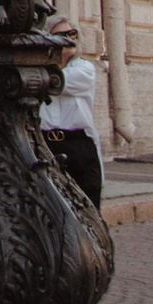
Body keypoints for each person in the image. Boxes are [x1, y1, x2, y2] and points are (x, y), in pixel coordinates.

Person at [41, 50, 104, 209]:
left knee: (87, 201)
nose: (68, 40)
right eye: (62, 37)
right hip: (44, 143)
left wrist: (40, 79)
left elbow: (58, 82)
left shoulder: (84, 68)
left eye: (73, 37)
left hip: (77, 144)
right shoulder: (37, 68)